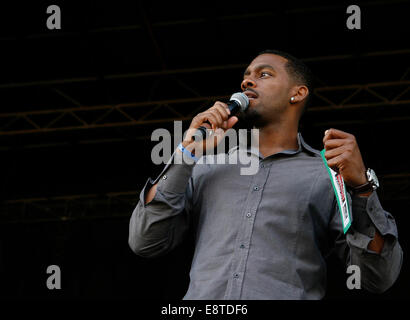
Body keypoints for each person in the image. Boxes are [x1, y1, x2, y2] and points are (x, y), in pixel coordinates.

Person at [128, 50, 403, 299]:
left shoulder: (328, 174)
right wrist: (185, 152)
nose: (247, 82)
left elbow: (376, 278)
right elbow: (145, 241)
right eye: (246, 76)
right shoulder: (205, 167)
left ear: (298, 93)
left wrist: (363, 188)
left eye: (263, 74)